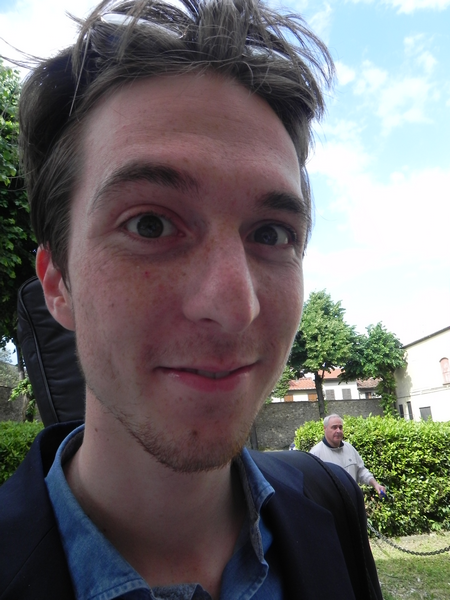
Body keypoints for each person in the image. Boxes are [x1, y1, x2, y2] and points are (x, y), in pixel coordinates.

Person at [0, 1, 382, 598]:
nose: (235, 307)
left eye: (271, 234)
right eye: (150, 224)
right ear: (57, 284)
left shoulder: (330, 504)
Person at [310, 414, 386, 496]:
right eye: (334, 427)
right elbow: (312, 485)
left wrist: (375, 484)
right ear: (325, 428)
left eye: (340, 427)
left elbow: (361, 471)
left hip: (352, 500)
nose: (338, 431)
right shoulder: (315, 454)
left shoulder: (349, 448)